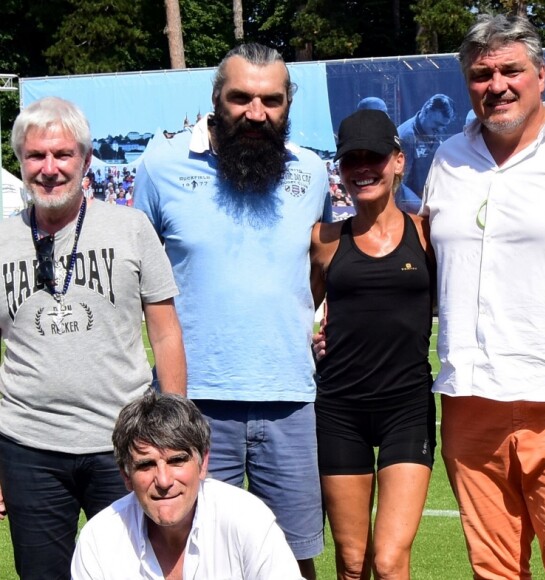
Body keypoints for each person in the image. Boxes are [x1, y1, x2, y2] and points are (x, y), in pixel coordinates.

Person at [134, 43, 331, 579]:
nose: (255, 112)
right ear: (216, 99)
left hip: (289, 397)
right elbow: (136, 279)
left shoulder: (311, 173)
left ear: (288, 103)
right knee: (186, 554)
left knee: (292, 558)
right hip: (193, 403)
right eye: (240, 97)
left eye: (270, 100)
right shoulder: (160, 165)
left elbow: (318, 267)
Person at [0, 96, 186, 579]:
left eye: (62, 154)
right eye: (36, 156)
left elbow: (165, 334)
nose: (49, 168)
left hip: (124, 443)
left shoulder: (131, 228)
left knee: (138, 571)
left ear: (84, 159)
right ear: (20, 162)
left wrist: (177, 430)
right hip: (28, 446)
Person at [421, 14, 545, 579]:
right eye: (482, 74)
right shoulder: (447, 159)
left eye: (511, 70)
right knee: (492, 571)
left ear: (541, 74)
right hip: (470, 399)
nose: (497, 85)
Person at [310, 109, 435, 580]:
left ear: (398, 161)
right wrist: (312, 341)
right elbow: (296, 310)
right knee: (352, 562)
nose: (363, 168)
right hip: (340, 411)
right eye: (351, 160)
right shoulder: (324, 241)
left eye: (374, 157)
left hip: (407, 409)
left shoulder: (426, 235)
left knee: (388, 561)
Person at [71, 391, 303, 580]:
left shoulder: (247, 519)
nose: (163, 481)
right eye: (146, 465)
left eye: (177, 461)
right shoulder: (99, 539)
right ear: (126, 475)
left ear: (203, 463)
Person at [396, 94, 456, 214]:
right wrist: (423, 210)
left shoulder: (436, 128)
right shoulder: (406, 137)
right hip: (414, 207)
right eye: (437, 124)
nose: (440, 130)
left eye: (444, 126)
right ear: (426, 111)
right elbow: (399, 184)